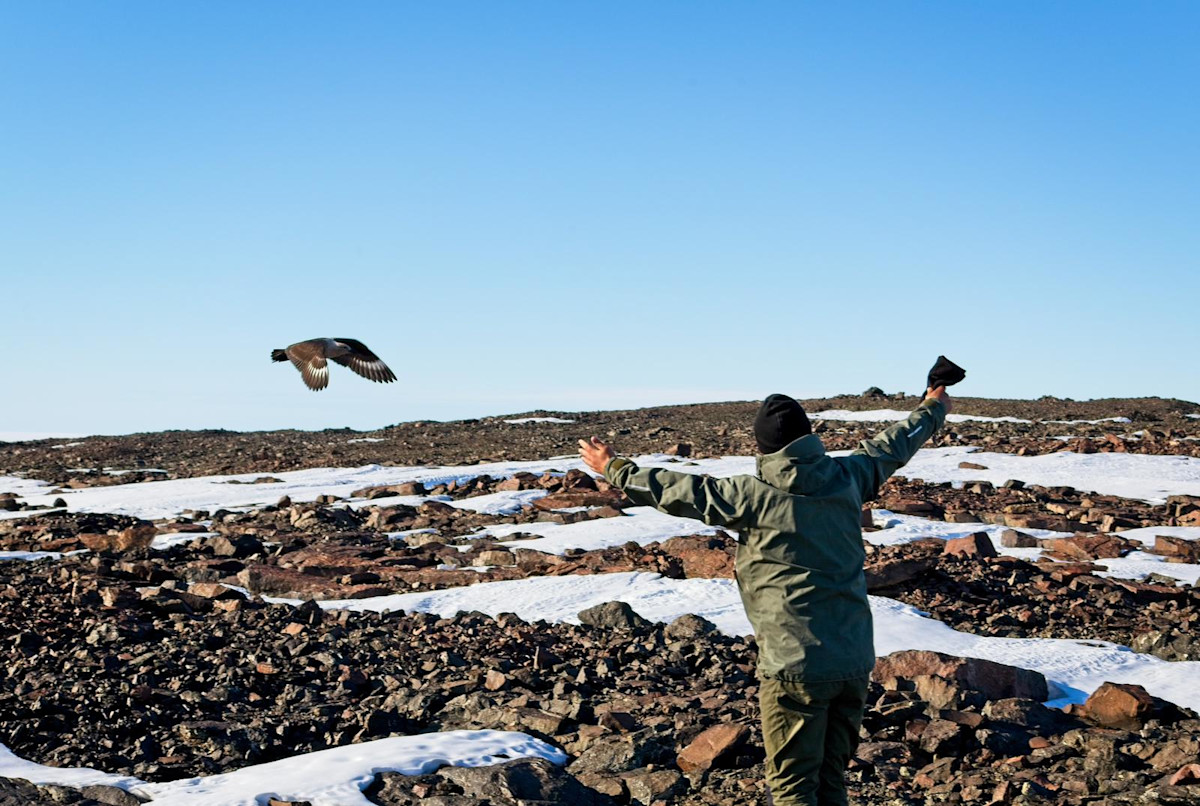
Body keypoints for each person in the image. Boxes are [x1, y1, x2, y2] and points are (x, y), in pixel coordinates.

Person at [578, 385, 952, 806]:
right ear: (809, 436)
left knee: (793, 788)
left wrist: (614, 467)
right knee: (831, 779)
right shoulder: (851, 475)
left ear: (764, 448)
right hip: (853, 660)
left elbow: (678, 491)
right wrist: (932, 407)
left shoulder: (750, 495)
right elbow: (894, 445)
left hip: (794, 665)